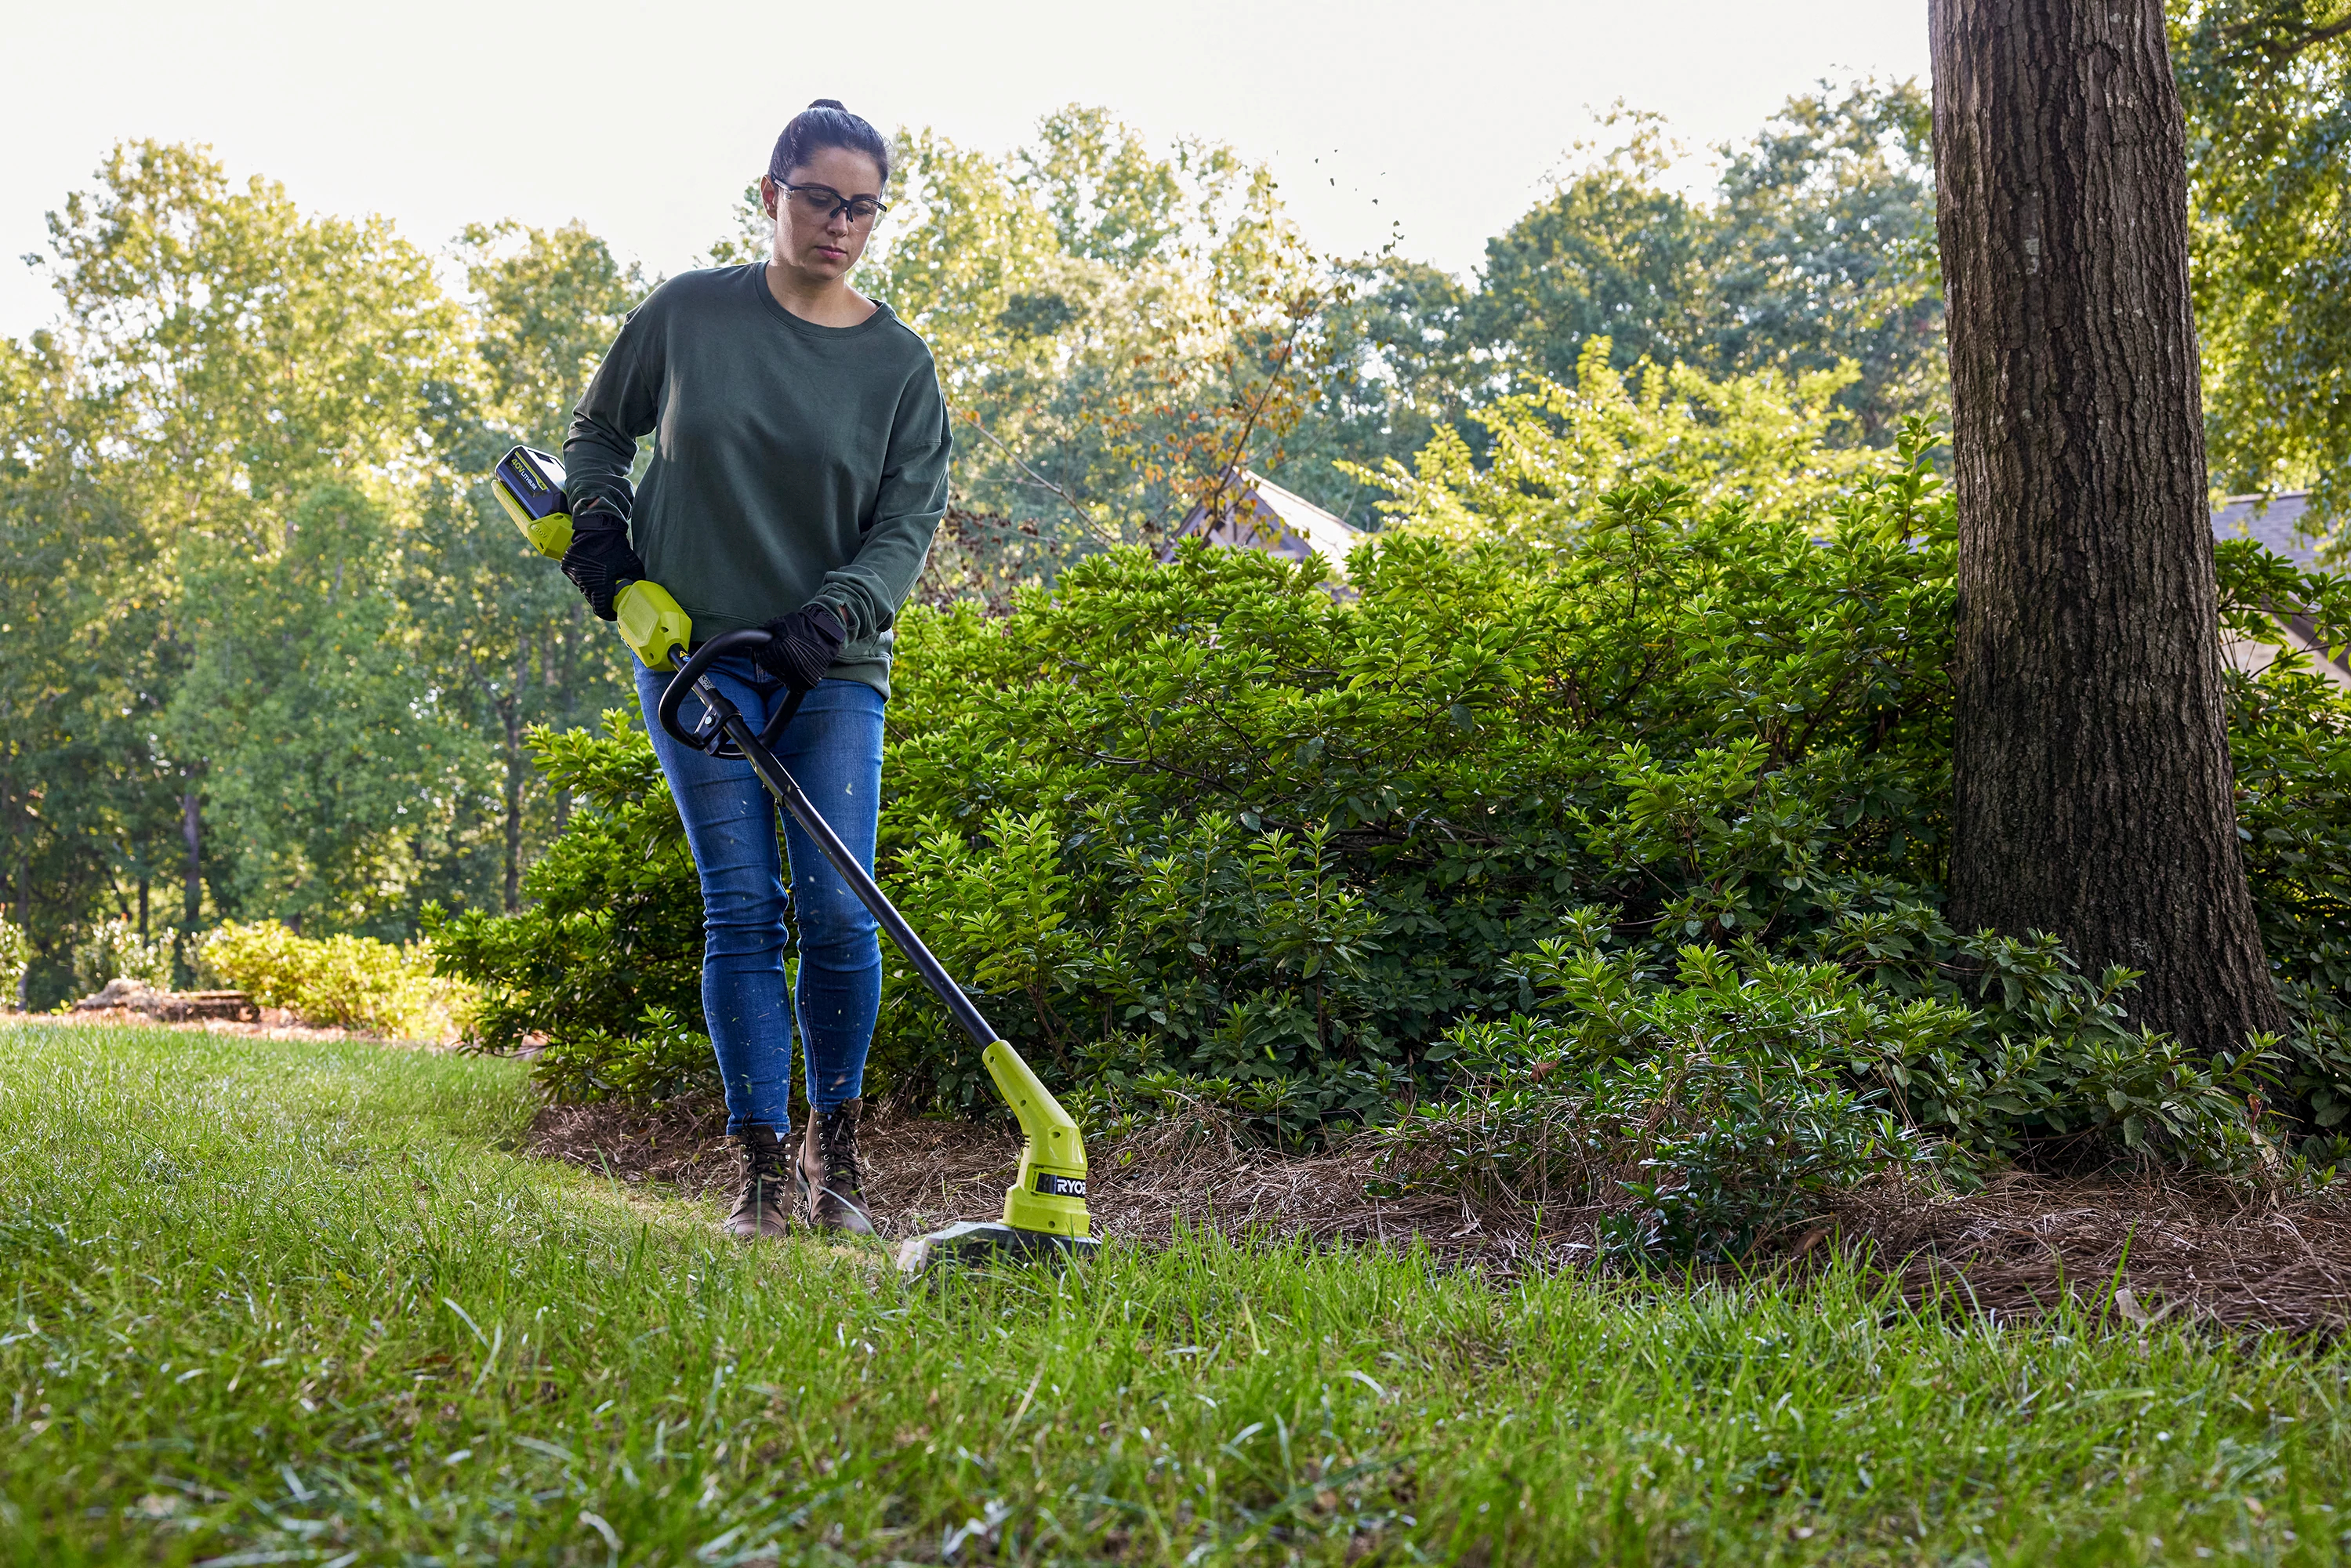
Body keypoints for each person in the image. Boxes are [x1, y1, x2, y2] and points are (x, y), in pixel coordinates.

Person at [560, 100, 949, 1240]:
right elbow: (599, 433)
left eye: (864, 206)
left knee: (839, 912)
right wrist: (601, 527)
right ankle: (764, 1174)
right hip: (696, 659)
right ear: (770, 194)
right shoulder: (687, 314)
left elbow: (907, 522)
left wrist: (833, 616)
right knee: (742, 913)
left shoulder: (897, 366)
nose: (843, 224)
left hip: (830, 669)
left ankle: (843, 1164)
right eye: (823, 199)